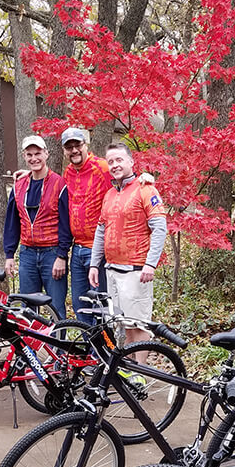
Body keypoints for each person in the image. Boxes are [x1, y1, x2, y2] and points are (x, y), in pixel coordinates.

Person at [88, 142, 166, 354]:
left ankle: (139, 374)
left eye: (119, 160)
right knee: (121, 324)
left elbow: (160, 228)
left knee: (138, 324)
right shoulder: (110, 195)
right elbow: (101, 231)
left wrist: (150, 264)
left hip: (136, 272)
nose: (115, 165)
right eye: (111, 161)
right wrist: (95, 264)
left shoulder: (145, 189)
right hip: (111, 270)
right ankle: (128, 369)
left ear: (131, 162)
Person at [3, 135, 68, 317]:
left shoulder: (59, 184)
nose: (34, 158)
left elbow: (65, 223)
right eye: (29, 155)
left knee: (56, 308)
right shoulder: (19, 186)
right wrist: (9, 254)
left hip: (52, 254)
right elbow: (12, 223)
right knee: (27, 309)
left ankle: (58, 346)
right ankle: (31, 346)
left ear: (46, 154)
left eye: (38, 153)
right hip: (27, 255)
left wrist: (62, 255)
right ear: (24, 157)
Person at [56, 127, 111, 325]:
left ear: (85, 145)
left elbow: (126, 181)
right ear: (64, 150)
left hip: (98, 250)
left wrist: (145, 180)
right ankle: (87, 353)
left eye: (77, 145)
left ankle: (103, 353)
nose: (74, 150)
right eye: (69, 147)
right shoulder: (68, 173)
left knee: (100, 306)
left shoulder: (102, 167)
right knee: (81, 306)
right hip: (76, 250)